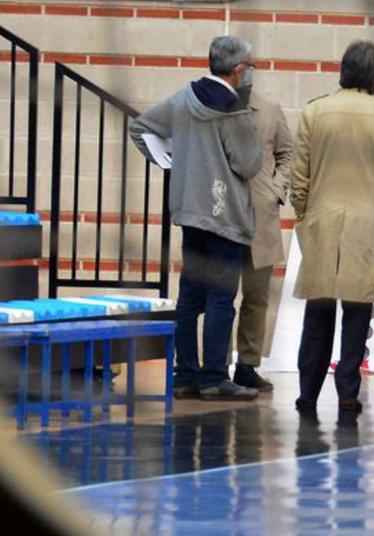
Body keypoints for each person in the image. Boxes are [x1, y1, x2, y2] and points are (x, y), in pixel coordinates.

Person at [128, 35, 263, 401]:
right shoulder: (235, 111)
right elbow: (249, 164)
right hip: (226, 216)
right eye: (249, 67)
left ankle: (185, 375)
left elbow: (139, 128)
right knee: (221, 299)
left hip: (190, 212)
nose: (251, 74)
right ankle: (214, 377)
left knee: (189, 297)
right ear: (237, 70)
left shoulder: (183, 98)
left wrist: (171, 162)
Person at [290, 41, 374, 414]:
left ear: (342, 68)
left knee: (318, 310)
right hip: (371, 224)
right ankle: (347, 391)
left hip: (323, 222)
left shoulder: (314, 110)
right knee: (358, 312)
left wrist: (304, 217)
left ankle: (307, 391)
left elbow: (300, 179)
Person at [228, 90, 294, 393]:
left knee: (256, 297)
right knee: (219, 299)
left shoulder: (269, 109)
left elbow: (288, 153)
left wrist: (276, 191)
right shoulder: (214, 107)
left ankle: (247, 365)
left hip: (261, 218)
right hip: (223, 218)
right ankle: (214, 367)